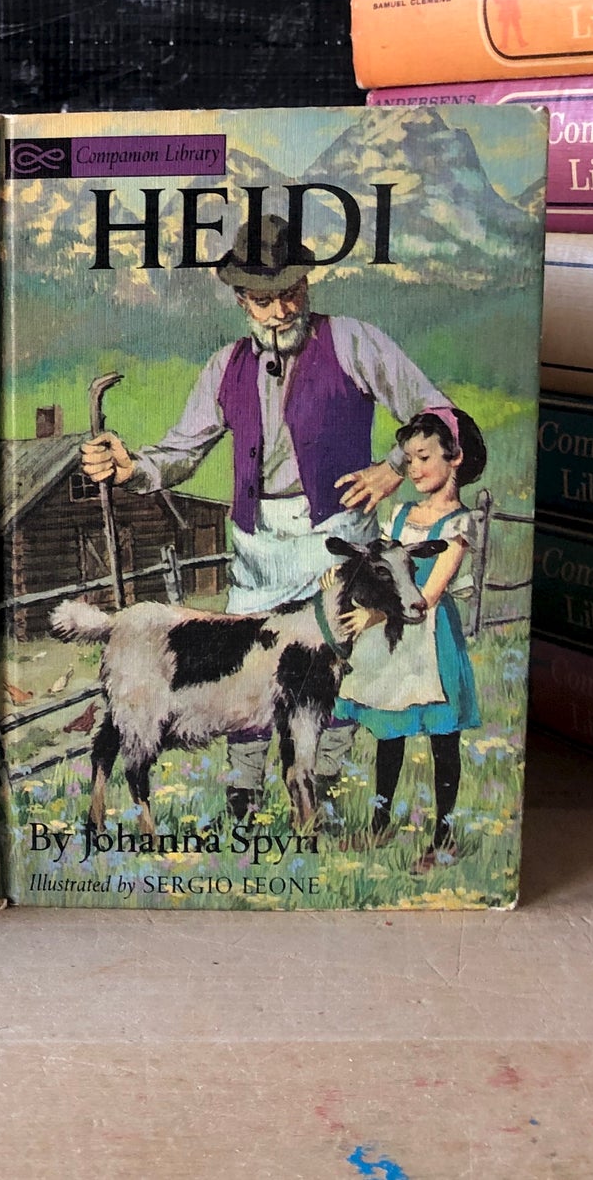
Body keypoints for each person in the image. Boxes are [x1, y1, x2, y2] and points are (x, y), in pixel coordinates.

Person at [80, 216, 450, 822]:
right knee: (249, 673)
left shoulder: (352, 341)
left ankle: (323, 787)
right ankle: (244, 795)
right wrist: (131, 467)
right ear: (240, 300)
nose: (279, 311)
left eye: (290, 293)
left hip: (336, 537)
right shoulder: (225, 366)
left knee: (339, 668)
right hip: (259, 545)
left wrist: (393, 468)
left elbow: (434, 412)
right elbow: (180, 451)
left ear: (306, 284)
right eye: (262, 300)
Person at [334, 407, 486, 872]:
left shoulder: (459, 524)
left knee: (442, 739)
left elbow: (430, 594)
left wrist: (374, 614)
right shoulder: (399, 516)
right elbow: (376, 569)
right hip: (393, 638)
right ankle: (380, 823)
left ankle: (444, 836)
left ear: (455, 457)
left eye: (423, 457)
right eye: (409, 459)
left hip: (431, 638)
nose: (413, 469)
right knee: (389, 732)